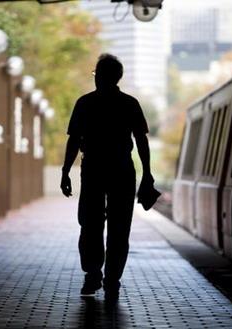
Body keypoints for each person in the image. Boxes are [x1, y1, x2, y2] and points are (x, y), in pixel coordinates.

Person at [60, 53, 154, 301]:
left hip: (93, 170)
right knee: (119, 228)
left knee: (90, 224)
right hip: (122, 170)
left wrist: (66, 171)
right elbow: (141, 140)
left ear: (107, 77)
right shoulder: (129, 104)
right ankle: (110, 279)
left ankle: (94, 275)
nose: (97, 79)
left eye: (98, 74)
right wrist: (147, 173)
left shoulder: (85, 103)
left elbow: (74, 140)